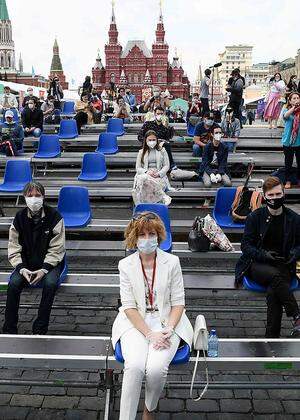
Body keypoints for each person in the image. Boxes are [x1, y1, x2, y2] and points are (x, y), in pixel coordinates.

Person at [112, 212, 193, 420]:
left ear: (158, 235)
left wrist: (169, 329)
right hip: (136, 322)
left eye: (151, 233)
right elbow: (129, 307)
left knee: (156, 369)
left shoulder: (172, 262)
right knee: (134, 366)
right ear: (134, 238)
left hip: (168, 320)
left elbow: (178, 302)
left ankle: (150, 408)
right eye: (142, 234)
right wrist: (150, 334)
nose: (147, 239)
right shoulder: (126, 265)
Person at [235, 176, 300, 338]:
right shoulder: (255, 217)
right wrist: (264, 254)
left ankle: (271, 339)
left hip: (284, 264)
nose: (275, 198)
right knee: (276, 277)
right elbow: (246, 247)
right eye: (271, 195)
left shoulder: (294, 218)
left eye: (278, 194)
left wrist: (295, 254)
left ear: (284, 194)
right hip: (257, 263)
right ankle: (297, 316)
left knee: (274, 292)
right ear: (264, 197)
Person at [2, 181, 66, 335]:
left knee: (50, 284)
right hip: (26, 264)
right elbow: (14, 247)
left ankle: (40, 328)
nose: (34, 198)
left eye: (37, 195)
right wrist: (21, 268)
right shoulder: (19, 218)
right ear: (24, 197)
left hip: (50, 264)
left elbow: (57, 248)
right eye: (30, 195)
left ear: (43, 197)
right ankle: (9, 329)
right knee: (14, 284)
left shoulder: (55, 217)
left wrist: (44, 269)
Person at [132, 130, 171, 205]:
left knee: (146, 183)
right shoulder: (141, 152)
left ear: (157, 140)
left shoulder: (162, 150)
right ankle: (162, 197)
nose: (152, 141)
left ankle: (146, 205)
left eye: (154, 140)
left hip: (158, 175)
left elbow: (167, 165)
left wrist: (159, 174)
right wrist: (147, 172)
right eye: (150, 140)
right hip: (146, 173)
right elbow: (138, 167)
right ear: (146, 140)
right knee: (144, 180)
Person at [281, 92, 300, 188]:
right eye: (294, 98)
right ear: (290, 100)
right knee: (288, 162)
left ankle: (298, 180)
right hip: (288, 141)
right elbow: (285, 116)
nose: (296, 100)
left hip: (299, 141)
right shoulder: (286, 109)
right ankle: (288, 180)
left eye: (298, 98)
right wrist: (294, 108)